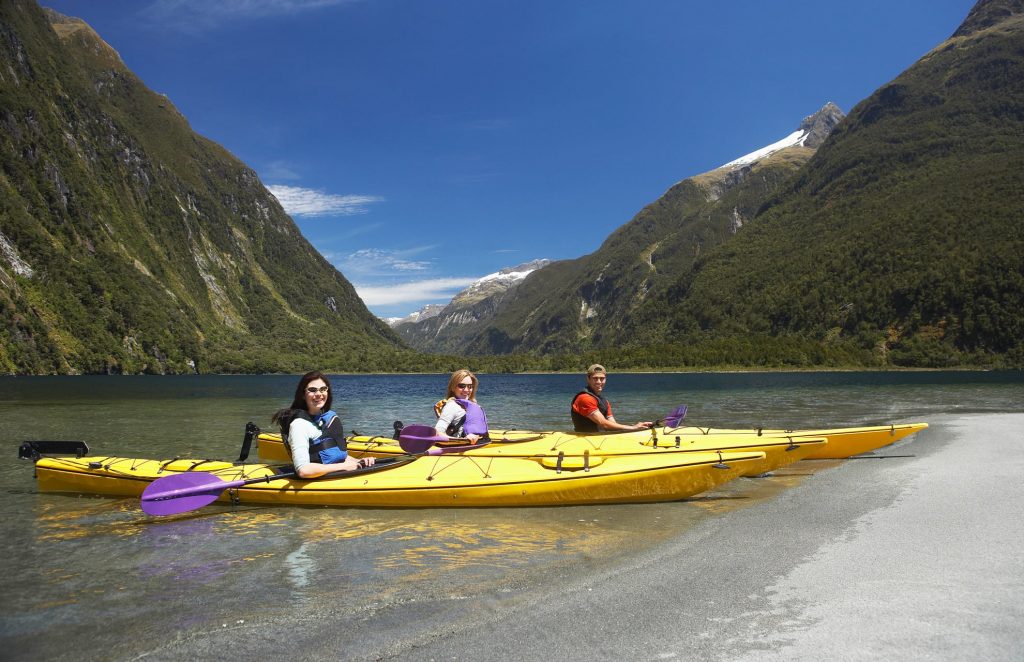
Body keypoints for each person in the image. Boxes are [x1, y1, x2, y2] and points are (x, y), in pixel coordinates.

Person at [271, 371, 374, 478]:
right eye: (312, 390)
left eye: (323, 389)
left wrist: (359, 461)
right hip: (317, 480)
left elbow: (335, 455)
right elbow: (303, 470)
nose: (319, 394)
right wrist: (342, 466)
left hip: (335, 474)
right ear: (302, 394)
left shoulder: (325, 419)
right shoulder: (299, 425)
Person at [570, 364, 653, 432]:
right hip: (586, 439)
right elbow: (604, 424)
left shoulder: (604, 402)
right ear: (588, 379)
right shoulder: (584, 398)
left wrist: (638, 428)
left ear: (605, 379)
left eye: (602, 378)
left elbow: (612, 424)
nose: (599, 382)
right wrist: (633, 427)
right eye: (595, 378)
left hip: (600, 438)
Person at [434, 369, 489, 443]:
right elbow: (438, 433)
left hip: (481, 442)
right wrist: (464, 440)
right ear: (453, 388)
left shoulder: (472, 405)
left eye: (470, 386)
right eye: (462, 386)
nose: (466, 390)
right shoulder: (451, 406)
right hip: (462, 447)